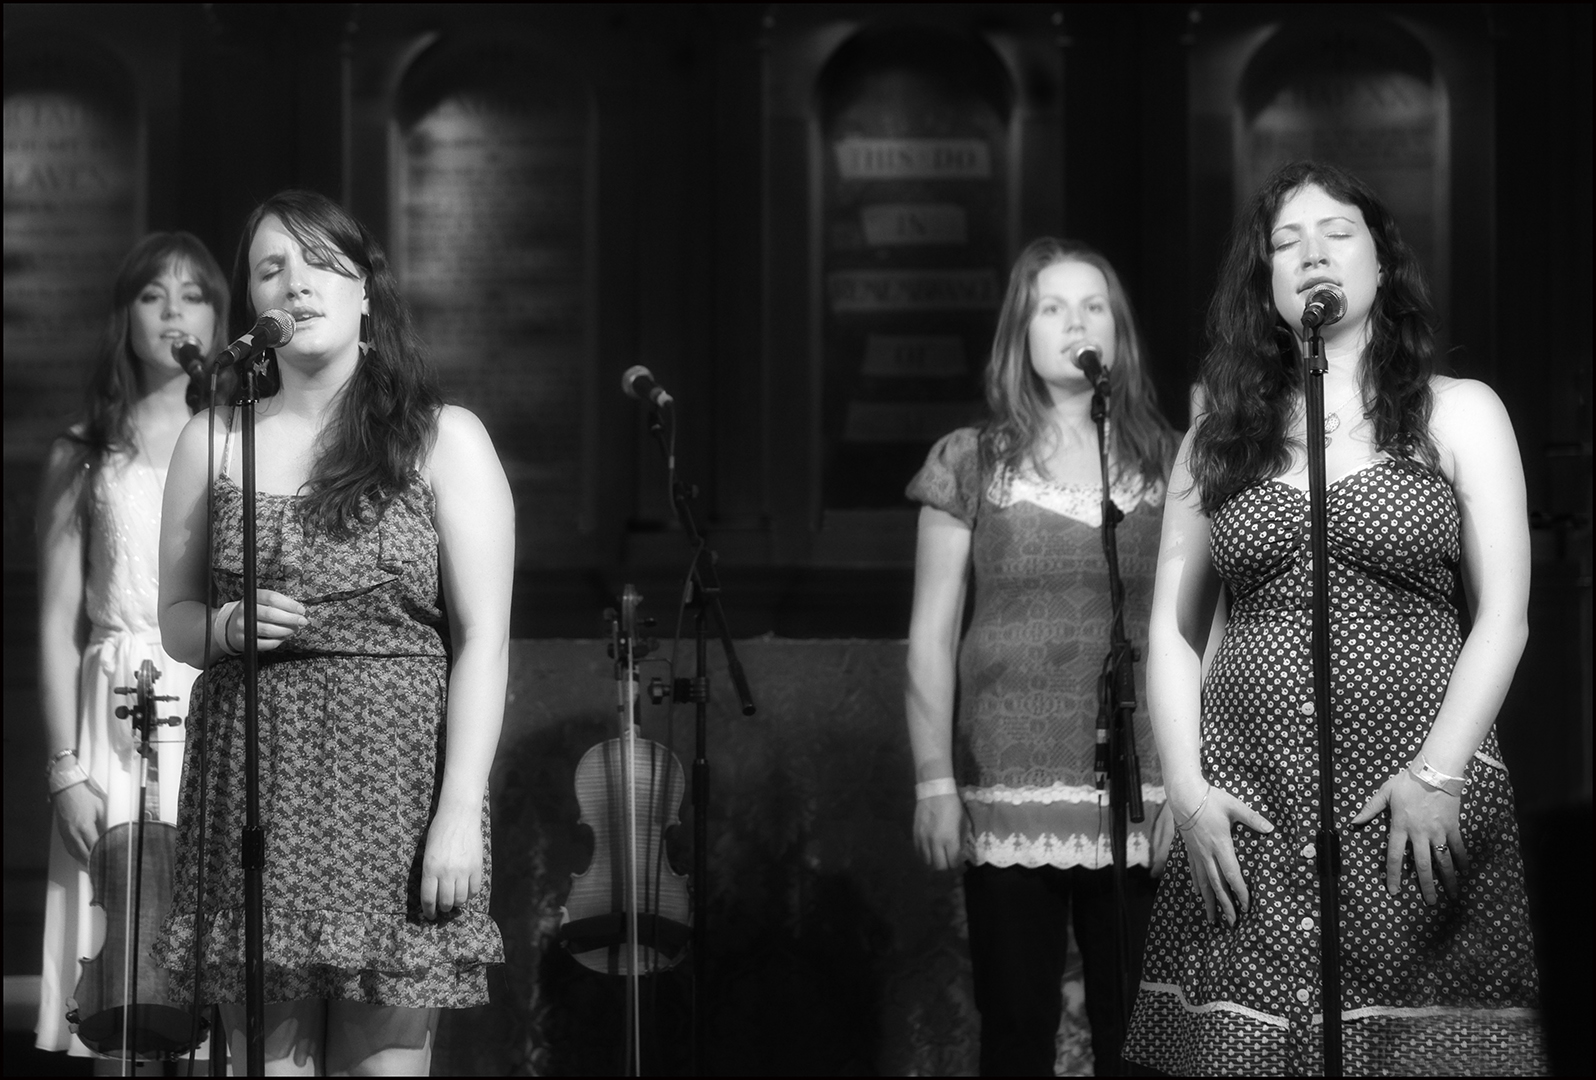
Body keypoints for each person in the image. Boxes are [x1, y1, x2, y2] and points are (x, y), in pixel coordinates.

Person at [1123, 161, 1547, 1075]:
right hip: (1249, 800)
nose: (1311, 254)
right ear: (1265, 286)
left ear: (1381, 263)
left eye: (1336, 233)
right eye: (1285, 243)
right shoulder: (1218, 436)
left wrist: (1439, 774)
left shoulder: (1459, 412)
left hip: (1411, 787)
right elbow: (1171, 629)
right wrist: (1186, 791)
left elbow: (1505, 612)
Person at [154, 190, 513, 1075]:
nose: (298, 283)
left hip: (391, 797)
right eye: (273, 268)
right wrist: (229, 625)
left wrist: (460, 811)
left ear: (366, 291)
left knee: (380, 1062)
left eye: (321, 263)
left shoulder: (441, 439)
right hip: (254, 796)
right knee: (265, 1062)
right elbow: (176, 619)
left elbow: (485, 638)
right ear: (254, 309)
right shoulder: (214, 439)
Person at [905, 238, 1179, 1075]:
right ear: (1019, 333)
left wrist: (1195, 788)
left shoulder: (1174, 461)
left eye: (1092, 306)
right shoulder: (970, 461)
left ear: (1118, 331)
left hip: (1144, 789)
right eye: (1051, 308)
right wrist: (933, 781)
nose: (1074, 324)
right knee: (1016, 1030)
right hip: (1006, 783)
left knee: (1137, 1037)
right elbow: (930, 634)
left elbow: (1204, 632)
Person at [35, 233, 228, 1069]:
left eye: (194, 294)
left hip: (213, 693)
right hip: (114, 707)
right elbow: (54, 620)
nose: (175, 311)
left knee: (209, 949)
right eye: (155, 294)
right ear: (127, 315)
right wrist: (65, 770)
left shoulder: (240, 441)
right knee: (118, 957)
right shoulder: (84, 451)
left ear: (220, 320)